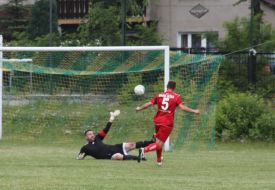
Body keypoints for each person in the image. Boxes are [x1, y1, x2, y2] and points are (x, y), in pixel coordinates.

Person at [135, 80, 200, 165]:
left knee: (158, 142)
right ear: (174, 88)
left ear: (166, 86)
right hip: (167, 123)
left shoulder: (159, 95)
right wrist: (194, 111)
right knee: (158, 144)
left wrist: (139, 108)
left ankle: (159, 161)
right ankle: (143, 150)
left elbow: (149, 104)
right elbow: (183, 108)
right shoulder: (176, 96)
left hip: (157, 121)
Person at [76, 110, 152, 161]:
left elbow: (106, 129)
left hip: (115, 147)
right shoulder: (85, 148)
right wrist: (80, 157)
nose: (92, 135)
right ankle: (139, 158)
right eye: (89, 134)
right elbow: (79, 157)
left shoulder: (98, 138)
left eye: (92, 133)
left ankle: (151, 142)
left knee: (131, 145)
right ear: (86, 137)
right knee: (118, 156)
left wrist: (111, 118)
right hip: (109, 155)